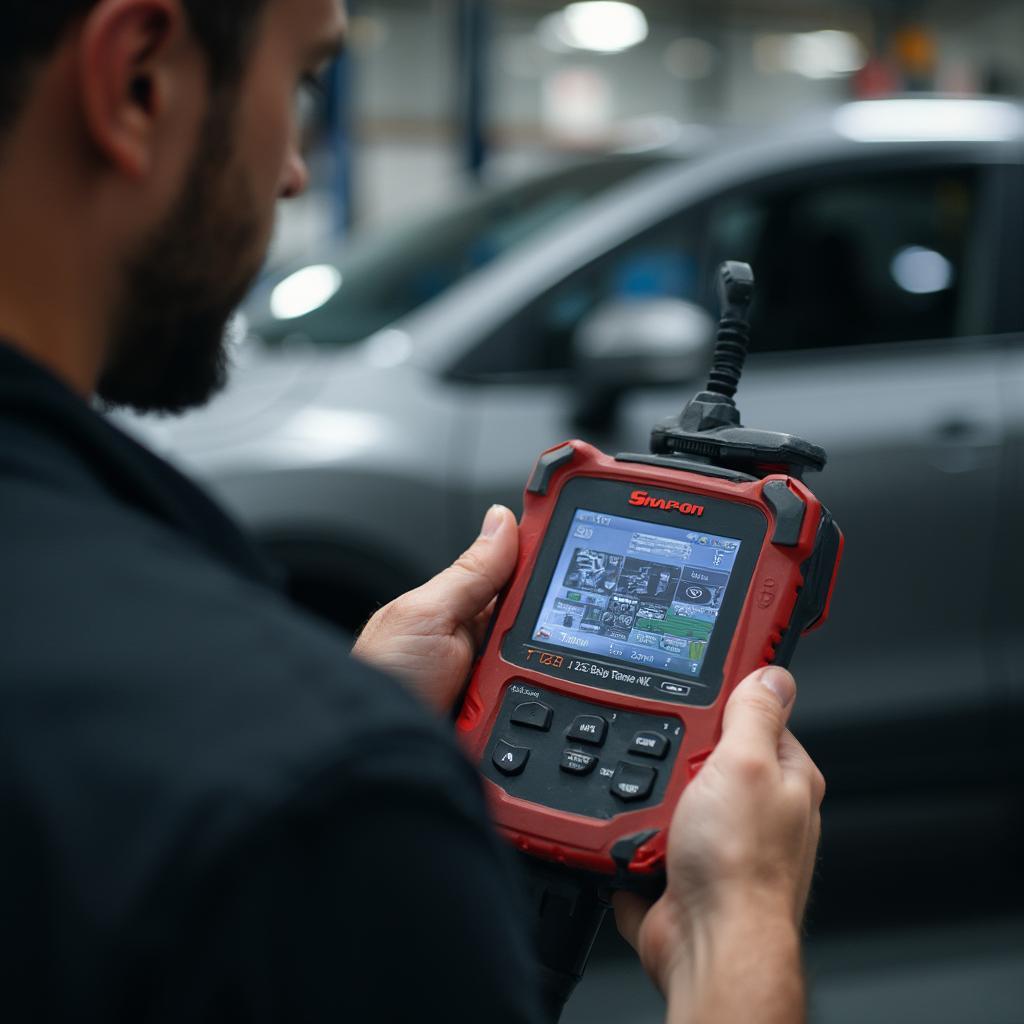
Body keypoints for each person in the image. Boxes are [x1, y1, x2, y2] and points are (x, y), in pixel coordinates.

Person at [0, 1, 825, 1021]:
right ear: (138, 81)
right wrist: (736, 931)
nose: (297, 170)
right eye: (302, 85)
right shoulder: (317, 807)